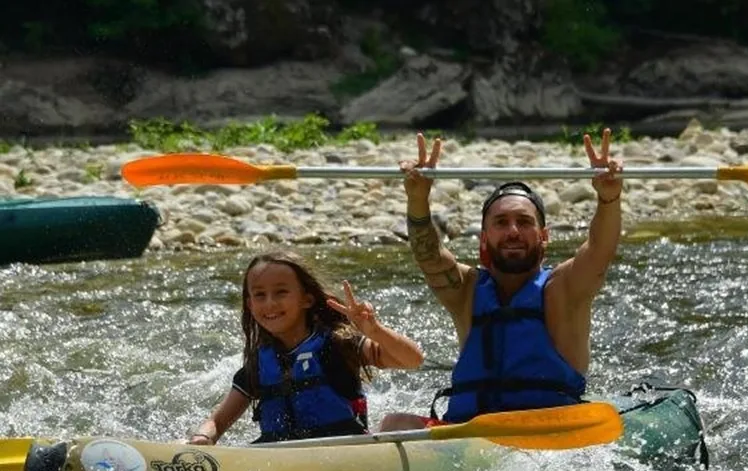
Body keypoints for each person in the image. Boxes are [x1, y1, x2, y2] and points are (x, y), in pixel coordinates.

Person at [381, 128, 623, 429]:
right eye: (501, 222)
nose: (512, 231)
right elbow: (429, 256)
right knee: (394, 423)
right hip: (469, 435)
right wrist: (418, 200)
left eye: (524, 222)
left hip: (550, 432)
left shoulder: (565, 289)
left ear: (544, 237)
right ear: (484, 239)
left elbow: (600, 250)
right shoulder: (467, 291)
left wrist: (609, 199)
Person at [189, 251, 424, 445]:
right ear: (250, 305)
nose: (270, 303)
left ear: (307, 299)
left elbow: (413, 360)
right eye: (260, 295)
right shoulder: (258, 365)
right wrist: (203, 436)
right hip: (278, 458)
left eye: (281, 292)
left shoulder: (339, 344)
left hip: (346, 451)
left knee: (399, 423)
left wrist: (375, 331)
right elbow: (217, 423)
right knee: (187, 444)